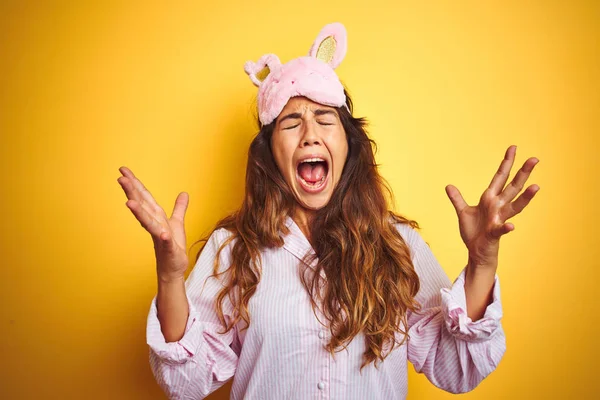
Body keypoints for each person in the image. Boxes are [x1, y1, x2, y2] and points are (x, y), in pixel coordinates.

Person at [117, 22, 540, 400]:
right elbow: (184, 383)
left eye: (324, 118)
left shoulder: (397, 245)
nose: (309, 134)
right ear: (270, 153)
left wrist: (482, 261)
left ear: (347, 144)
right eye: (290, 122)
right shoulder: (233, 249)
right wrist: (171, 276)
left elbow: (456, 367)